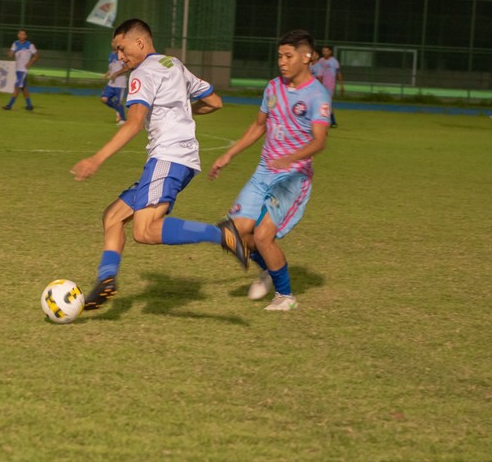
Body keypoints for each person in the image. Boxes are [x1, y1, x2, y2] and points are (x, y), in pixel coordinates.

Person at [71, 18, 248, 312]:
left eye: (121, 48)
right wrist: (178, 109)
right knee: (113, 216)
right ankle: (106, 281)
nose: (119, 56)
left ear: (139, 42)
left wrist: (96, 159)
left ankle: (222, 234)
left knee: (144, 231)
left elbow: (133, 124)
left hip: (169, 157)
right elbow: (215, 101)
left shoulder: (141, 74)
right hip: (180, 158)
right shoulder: (173, 64)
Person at [208, 29, 331, 311]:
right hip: (264, 171)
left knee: (263, 236)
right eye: (279, 56)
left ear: (307, 57)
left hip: (292, 177)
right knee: (233, 234)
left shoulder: (317, 95)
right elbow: (258, 126)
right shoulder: (273, 87)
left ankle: (285, 297)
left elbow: (320, 140)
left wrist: (290, 159)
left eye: (288, 56)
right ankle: (268, 269)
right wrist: (228, 155)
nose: (282, 62)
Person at [2, 29, 39, 111]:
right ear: (18, 35)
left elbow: (37, 55)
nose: (21, 36)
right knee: (23, 88)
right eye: (20, 34)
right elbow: (11, 52)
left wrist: (30, 63)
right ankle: (29, 106)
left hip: (23, 70)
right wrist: (10, 53)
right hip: (18, 70)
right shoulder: (15, 43)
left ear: (26, 36)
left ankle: (9, 105)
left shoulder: (29, 45)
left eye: (23, 34)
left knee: (17, 86)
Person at [316, 44, 344, 127]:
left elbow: (339, 73)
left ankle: (332, 121)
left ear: (330, 52)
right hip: (321, 85)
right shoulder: (320, 61)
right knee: (320, 102)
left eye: (326, 51)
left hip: (330, 85)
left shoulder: (334, 61)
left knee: (327, 102)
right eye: (323, 51)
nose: (325, 52)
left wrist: (341, 85)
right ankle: (323, 120)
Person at [100, 50, 129, 125]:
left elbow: (126, 68)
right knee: (104, 99)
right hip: (112, 83)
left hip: (120, 83)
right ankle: (119, 110)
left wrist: (116, 74)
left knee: (118, 102)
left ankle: (123, 120)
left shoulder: (122, 54)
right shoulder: (111, 54)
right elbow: (112, 68)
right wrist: (107, 74)